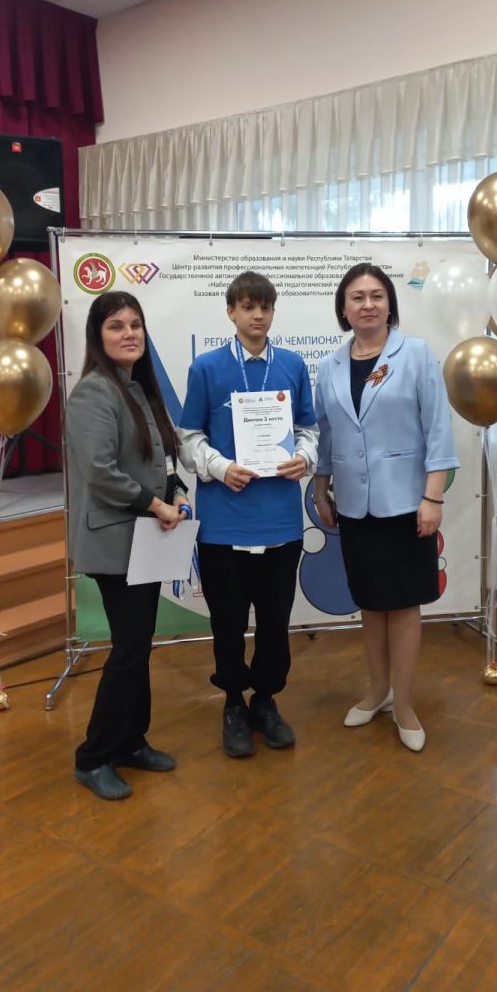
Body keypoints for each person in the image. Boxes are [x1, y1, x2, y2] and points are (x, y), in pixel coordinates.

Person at [314, 263, 459, 752]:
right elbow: (327, 435)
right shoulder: (330, 366)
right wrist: (320, 489)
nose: (368, 304)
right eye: (357, 297)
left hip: (406, 503)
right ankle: (377, 691)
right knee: (371, 602)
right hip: (354, 505)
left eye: (377, 295)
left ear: (390, 304)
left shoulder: (414, 354)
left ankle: (405, 704)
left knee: (403, 604)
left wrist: (432, 496)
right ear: (343, 308)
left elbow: (438, 430)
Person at [177, 271, 318, 758]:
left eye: (265, 307)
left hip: (280, 521)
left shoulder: (292, 365)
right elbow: (189, 438)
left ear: (273, 312)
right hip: (223, 524)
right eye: (248, 307)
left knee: (276, 623)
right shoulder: (206, 368)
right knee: (228, 622)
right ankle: (234, 703)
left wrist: (305, 457)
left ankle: (266, 701)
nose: (258, 315)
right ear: (231, 312)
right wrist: (220, 467)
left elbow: (309, 429)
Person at [66, 291, 189, 800]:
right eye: (116, 326)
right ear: (98, 335)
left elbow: (160, 458)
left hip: (146, 537)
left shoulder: (138, 387)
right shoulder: (93, 392)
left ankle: (131, 742)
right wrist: (156, 505)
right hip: (115, 540)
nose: (129, 333)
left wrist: (177, 492)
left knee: (138, 646)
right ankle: (93, 756)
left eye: (135, 324)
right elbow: (101, 472)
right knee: (129, 649)